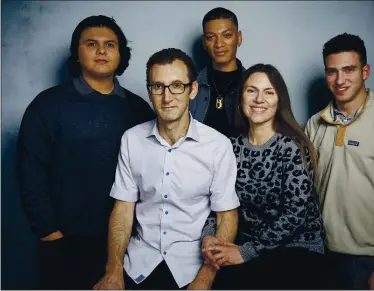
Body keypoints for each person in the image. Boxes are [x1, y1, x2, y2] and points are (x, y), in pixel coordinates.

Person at [16, 15, 155, 290]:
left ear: (120, 54)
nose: (101, 51)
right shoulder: (47, 105)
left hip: (127, 243)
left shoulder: (139, 109)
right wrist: (48, 232)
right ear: (77, 54)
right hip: (64, 242)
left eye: (110, 45)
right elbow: (30, 171)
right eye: (91, 43)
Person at [93, 48, 240, 290]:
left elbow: (227, 215)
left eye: (176, 86)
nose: (167, 97)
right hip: (139, 260)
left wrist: (206, 277)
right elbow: (123, 209)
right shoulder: (132, 139)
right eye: (158, 87)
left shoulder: (218, 146)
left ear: (192, 90)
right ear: (149, 91)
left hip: (192, 265)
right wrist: (113, 270)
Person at [305, 33, 374, 290]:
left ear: (365, 71)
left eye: (349, 70)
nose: (340, 80)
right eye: (332, 71)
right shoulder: (314, 124)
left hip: (368, 261)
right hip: (319, 253)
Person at [201, 64, 325, 290]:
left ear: (279, 101)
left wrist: (247, 251)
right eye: (251, 90)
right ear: (240, 99)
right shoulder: (230, 146)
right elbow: (216, 201)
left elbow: (295, 213)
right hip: (250, 244)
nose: (259, 99)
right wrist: (209, 238)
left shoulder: (292, 146)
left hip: (296, 247)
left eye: (268, 92)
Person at [190, 7, 245, 137]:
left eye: (226, 35)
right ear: (204, 42)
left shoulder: (253, 86)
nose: (219, 44)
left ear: (239, 38)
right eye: (211, 37)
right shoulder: (190, 87)